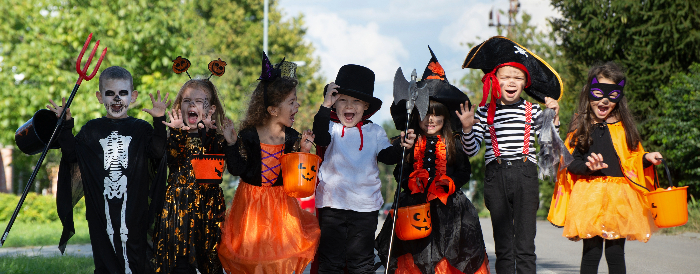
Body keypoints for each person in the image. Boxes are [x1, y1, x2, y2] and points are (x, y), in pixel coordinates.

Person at [375, 47, 490, 274]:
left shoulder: (453, 141)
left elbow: (464, 170)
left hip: (448, 210)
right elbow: (393, 165)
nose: (431, 120)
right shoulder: (408, 139)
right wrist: (405, 164)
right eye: (426, 114)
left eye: (437, 115)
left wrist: (450, 182)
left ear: (445, 117)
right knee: (414, 257)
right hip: (414, 207)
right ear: (416, 115)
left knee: (448, 256)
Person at [458, 36, 562, 274]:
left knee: (525, 246)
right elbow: (471, 150)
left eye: (518, 77)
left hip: (526, 175)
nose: (511, 82)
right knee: (504, 248)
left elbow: (550, 150)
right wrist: (466, 128)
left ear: (526, 83)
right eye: (505, 77)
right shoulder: (484, 112)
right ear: (494, 80)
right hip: (496, 177)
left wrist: (553, 119)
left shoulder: (534, 109)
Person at [53, 66, 169, 273]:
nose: (116, 99)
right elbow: (72, 155)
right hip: (100, 209)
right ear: (100, 97)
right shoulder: (92, 130)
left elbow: (158, 153)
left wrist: (159, 121)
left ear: (133, 97)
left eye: (123, 93)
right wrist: (65, 125)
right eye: (110, 93)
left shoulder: (141, 129)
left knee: (136, 257)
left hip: (135, 210)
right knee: (104, 257)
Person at [548, 62, 660, 274]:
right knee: (591, 254)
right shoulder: (581, 128)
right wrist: (589, 167)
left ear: (619, 97)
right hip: (590, 198)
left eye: (612, 94)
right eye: (598, 93)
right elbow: (571, 164)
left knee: (616, 255)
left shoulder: (623, 129)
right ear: (588, 93)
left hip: (619, 199)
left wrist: (647, 157)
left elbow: (631, 159)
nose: (604, 100)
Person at [217, 52, 320, 273]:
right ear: (273, 110)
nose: (297, 106)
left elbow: (297, 182)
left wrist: (303, 151)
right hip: (251, 206)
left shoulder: (292, 137)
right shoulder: (250, 135)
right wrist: (232, 143)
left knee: (280, 258)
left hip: (281, 207)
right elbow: (237, 170)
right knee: (254, 259)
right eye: (291, 102)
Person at [312, 64, 416, 273]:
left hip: (365, 207)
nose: (349, 106)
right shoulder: (331, 128)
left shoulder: (375, 132)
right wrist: (325, 105)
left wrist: (401, 147)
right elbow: (319, 134)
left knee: (361, 261)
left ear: (366, 106)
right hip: (333, 205)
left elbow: (387, 157)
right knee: (331, 260)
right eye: (343, 100)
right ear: (334, 104)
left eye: (356, 101)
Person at [152, 60, 231, 273]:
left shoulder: (217, 137)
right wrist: (177, 133)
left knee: (211, 264)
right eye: (187, 101)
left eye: (199, 101)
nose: (192, 105)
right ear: (180, 107)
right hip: (178, 209)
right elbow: (174, 160)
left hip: (208, 209)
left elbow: (218, 165)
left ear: (211, 108)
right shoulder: (176, 135)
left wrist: (209, 133)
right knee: (180, 265)